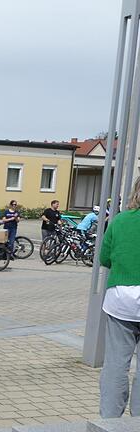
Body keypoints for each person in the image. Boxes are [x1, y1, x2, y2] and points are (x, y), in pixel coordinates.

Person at [99, 177, 140, 418]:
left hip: (121, 300)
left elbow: (105, 258)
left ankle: (109, 421)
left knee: (115, 364)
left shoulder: (120, 221)